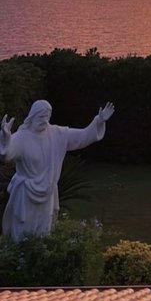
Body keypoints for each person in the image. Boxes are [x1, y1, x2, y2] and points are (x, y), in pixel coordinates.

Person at [0, 99, 115, 241]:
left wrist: (99, 121)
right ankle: (21, 261)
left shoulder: (57, 134)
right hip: (26, 195)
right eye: (41, 116)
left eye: (47, 117)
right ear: (33, 115)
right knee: (23, 234)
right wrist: (5, 138)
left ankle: (42, 260)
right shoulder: (22, 137)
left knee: (43, 233)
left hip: (47, 193)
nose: (44, 120)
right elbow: (7, 154)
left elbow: (83, 136)